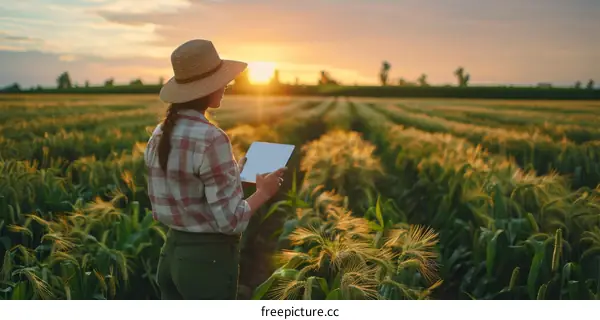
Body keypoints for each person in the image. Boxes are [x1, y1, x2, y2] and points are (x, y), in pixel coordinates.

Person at [144, 39, 286, 300]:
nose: (226, 86)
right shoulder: (211, 138)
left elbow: (186, 181)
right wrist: (263, 193)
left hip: (171, 256)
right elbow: (231, 221)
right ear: (205, 89)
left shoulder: (160, 132)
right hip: (206, 264)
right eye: (223, 81)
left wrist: (237, 168)